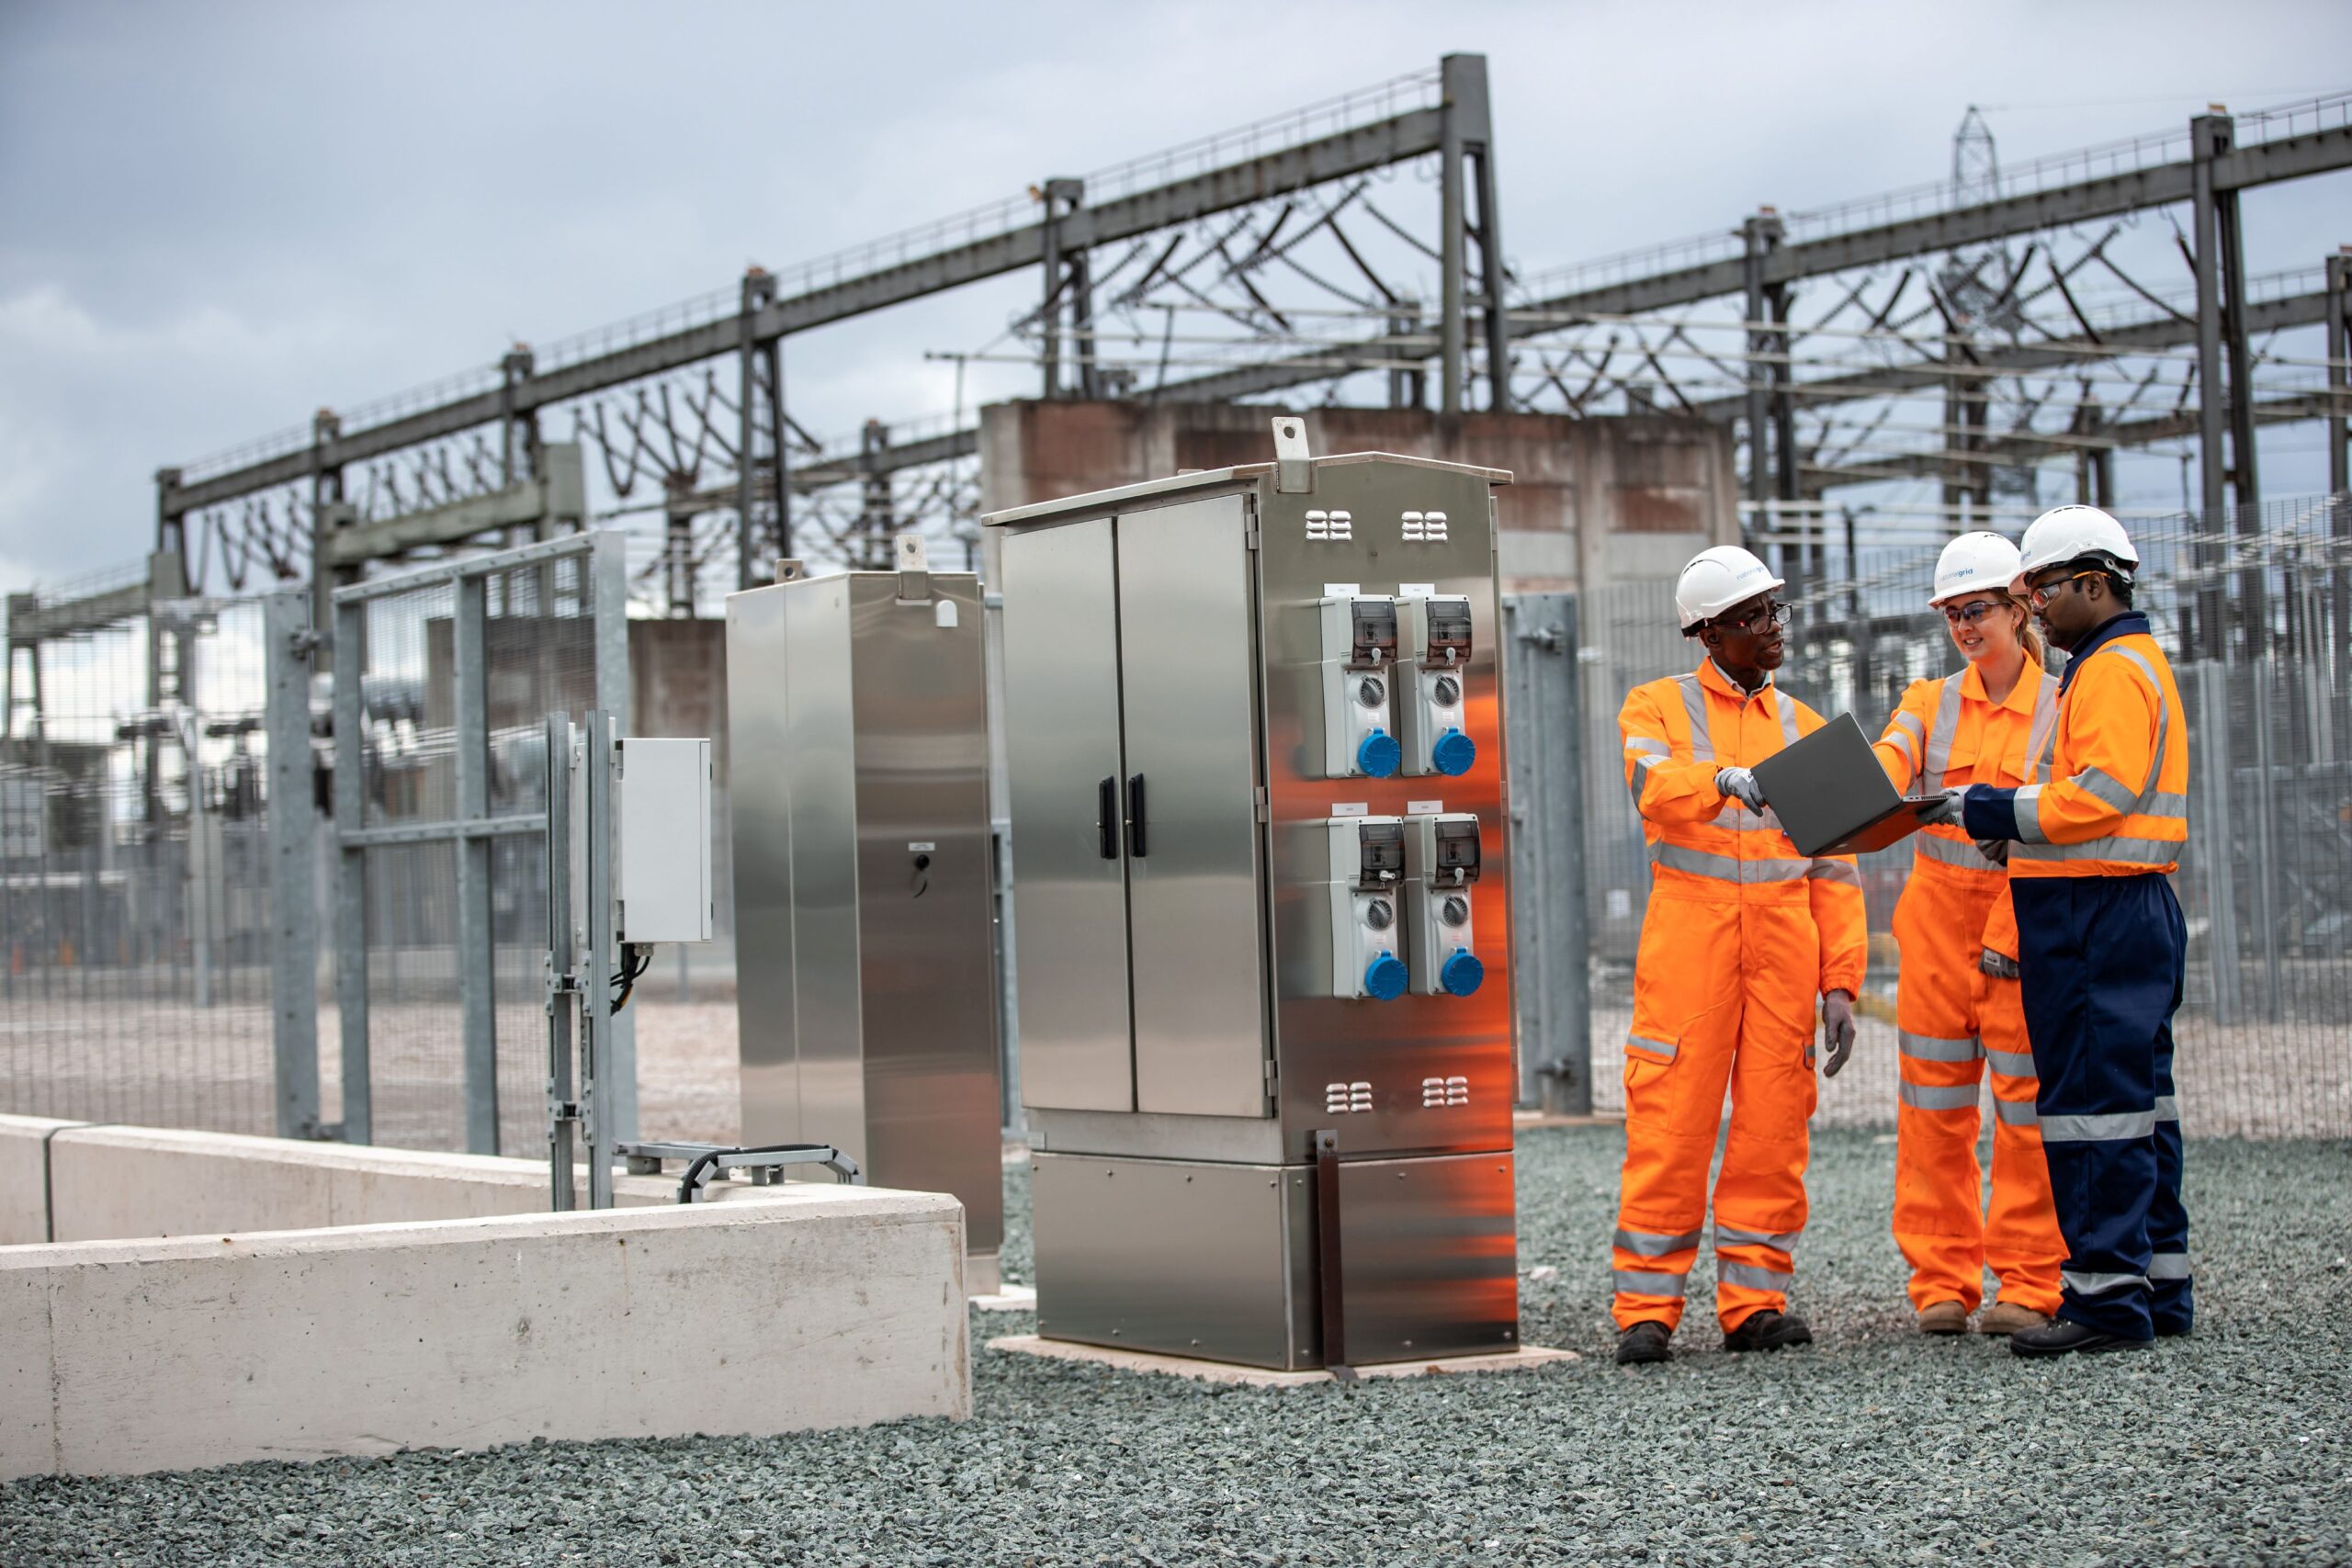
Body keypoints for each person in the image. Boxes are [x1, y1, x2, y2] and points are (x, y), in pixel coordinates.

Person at [1944, 504, 2192, 1357]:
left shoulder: (2114, 671)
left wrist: (1989, 805)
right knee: (2137, 1105)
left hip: (2095, 914)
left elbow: (2101, 792)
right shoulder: (2115, 664)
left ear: (2092, 583)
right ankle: (2158, 1286)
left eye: (2042, 590)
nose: (2034, 608)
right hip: (2124, 909)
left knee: (2094, 1110)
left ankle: (2106, 1302)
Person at [1611, 545, 1865, 1366]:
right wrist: (1723, 777)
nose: (1771, 629)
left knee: (1772, 1128)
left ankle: (1755, 1302)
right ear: (1708, 632)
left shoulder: (1807, 727)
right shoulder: (1655, 706)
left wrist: (1841, 982)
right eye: (1752, 617)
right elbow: (1654, 784)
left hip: (1786, 947)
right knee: (1671, 1123)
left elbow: (1835, 864)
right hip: (1693, 940)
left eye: (1774, 612)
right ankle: (1646, 1307)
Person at [1871, 533, 2068, 1337]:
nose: (1963, 625)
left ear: (2021, 608)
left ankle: (2028, 1279)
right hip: (1934, 932)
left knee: (2025, 1107)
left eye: (1976, 608)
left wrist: (2011, 927)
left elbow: (2058, 821)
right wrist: (1849, 788)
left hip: (2021, 921)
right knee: (1933, 1108)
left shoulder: (2062, 703)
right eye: (1952, 613)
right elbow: (1891, 762)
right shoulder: (1927, 703)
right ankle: (1941, 1280)